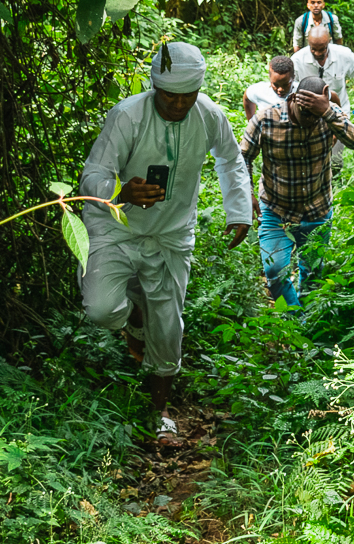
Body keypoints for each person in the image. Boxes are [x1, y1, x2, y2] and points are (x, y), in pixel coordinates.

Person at [78, 42, 252, 444]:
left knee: (168, 325)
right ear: (155, 87)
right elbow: (94, 172)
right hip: (115, 227)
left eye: (186, 96)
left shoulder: (208, 114)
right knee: (103, 310)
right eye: (169, 96)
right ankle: (132, 319)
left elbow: (229, 158)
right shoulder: (128, 115)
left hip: (171, 233)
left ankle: (160, 411)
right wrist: (121, 191)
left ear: (197, 91)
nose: (178, 104)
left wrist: (239, 210)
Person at [240, 75, 354, 307]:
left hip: (317, 210)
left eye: (314, 116)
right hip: (276, 210)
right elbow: (243, 157)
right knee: (274, 271)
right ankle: (297, 324)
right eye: (305, 113)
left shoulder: (329, 115)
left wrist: (327, 112)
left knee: (313, 273)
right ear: (294, 98)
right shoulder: (266, 119)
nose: (309, 120)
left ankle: (310, 327)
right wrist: (248, 192)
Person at [291, 23, 354, 167]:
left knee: (335, 161)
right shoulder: (297, 60)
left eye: (322, 49)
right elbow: (290, 91)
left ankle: (335, 182)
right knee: (311, 158)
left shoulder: (344, 55)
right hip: (309, 117)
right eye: (313, 49)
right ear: (308, 42)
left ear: (330, 41)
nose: (317, 53)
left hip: (339, 113)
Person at [243, 55, 296, 120]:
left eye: (285, 85)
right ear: (270, 77)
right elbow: (247, 97)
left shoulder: (301, 91)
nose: (280, 89)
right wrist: (251, 122)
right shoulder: (260, 91)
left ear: (293, 77)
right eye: (275, 85)